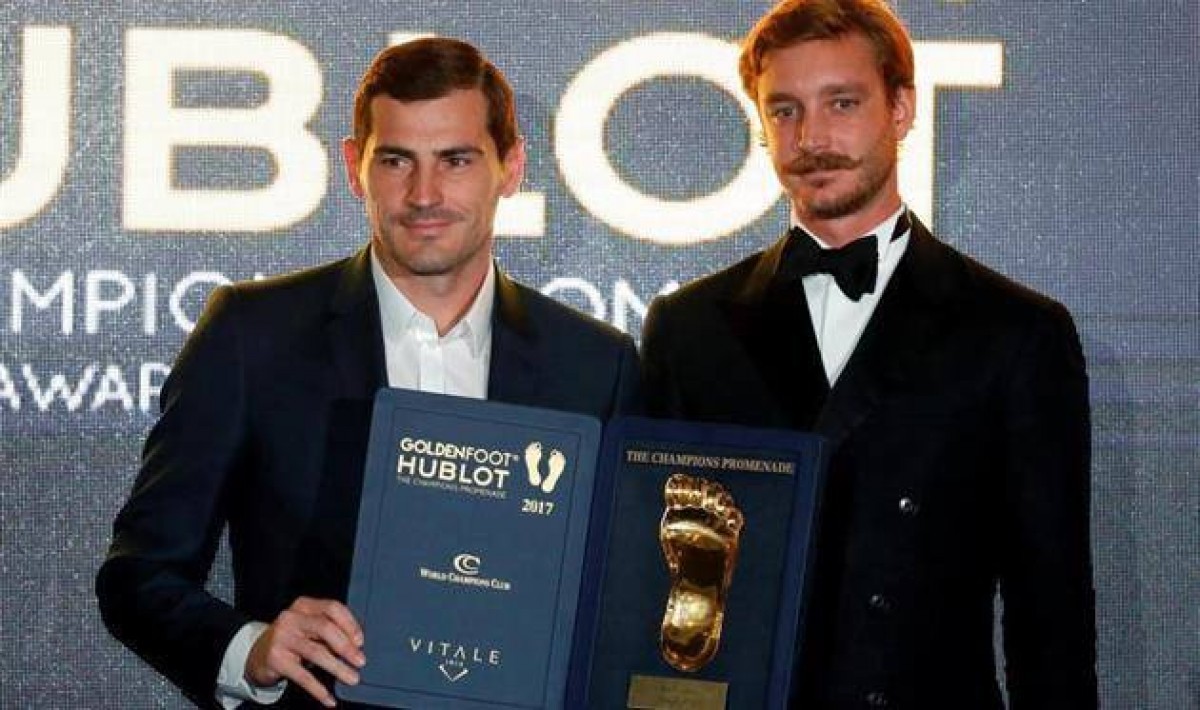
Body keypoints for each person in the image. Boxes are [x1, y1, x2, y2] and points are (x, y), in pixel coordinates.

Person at [97, 37, 640, 709]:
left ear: (511, 168)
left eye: (456, 160)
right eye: (396, 160)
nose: (424, 194)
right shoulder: (251, 337)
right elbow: (138, 577)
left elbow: (626, 604)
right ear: (355, 168)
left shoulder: (596, 366)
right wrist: (252, 650)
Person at [639, 1, 1097, 707]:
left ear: (902, 108)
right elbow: (658, 584)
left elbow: (1051, 614)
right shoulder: (689, 328)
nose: (811, 138)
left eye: (842, 103)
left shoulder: (1016, 332)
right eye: (785, 111)